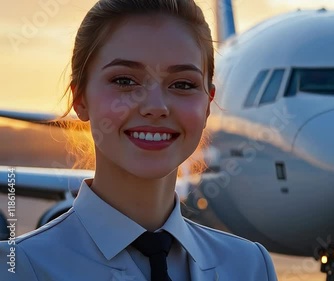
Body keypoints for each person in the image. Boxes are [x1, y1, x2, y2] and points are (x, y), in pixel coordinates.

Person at [0, 0, 278, 280]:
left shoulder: (251, 266)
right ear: (80, 98)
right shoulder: (19, 267)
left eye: (183, 84)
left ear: (208, 103)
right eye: (125, 81)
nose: (155, 106)